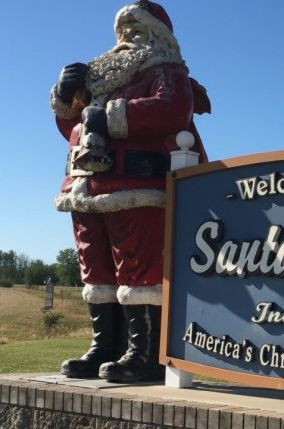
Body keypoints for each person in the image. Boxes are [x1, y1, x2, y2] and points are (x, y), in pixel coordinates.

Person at [50, 1, 210, 382]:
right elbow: (71, 128)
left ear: (158, 36)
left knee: (139, 267)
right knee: (96, 268)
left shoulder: (166, 70)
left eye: (137, 31)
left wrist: (109, 117)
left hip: (137, 185)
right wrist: (65, 95)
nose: (126, 40)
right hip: (85, 186)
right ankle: (104, 346)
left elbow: (172, 109)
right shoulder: (102, 79)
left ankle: (145, 351)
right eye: (123, 33)